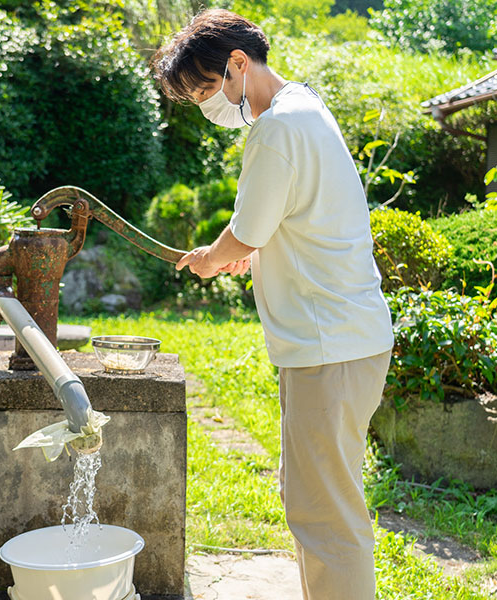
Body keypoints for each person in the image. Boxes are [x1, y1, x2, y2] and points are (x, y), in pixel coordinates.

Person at [152, 9, 394, 600]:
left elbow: (245, 232)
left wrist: (215, 256)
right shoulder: (305, 108)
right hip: (340, 341)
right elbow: (289, 223)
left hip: (328, 346)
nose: (209, 105)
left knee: (327, 516)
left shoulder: (276, 127)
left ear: (237, 64)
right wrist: (246, 250)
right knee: (316, 501)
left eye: (208, 89)